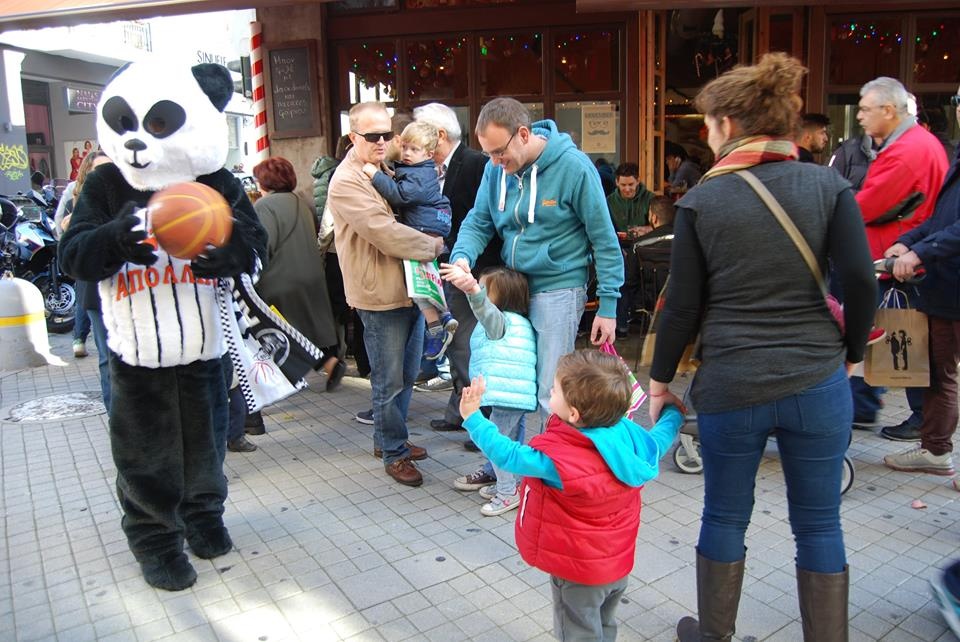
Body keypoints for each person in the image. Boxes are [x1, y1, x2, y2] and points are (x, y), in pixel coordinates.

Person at [647, 53, 877, 642]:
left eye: (709, 122)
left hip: (731, 384)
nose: (705, 132)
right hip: (817, 380)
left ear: (729, 123)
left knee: (724, 514)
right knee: (821, 525)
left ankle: (715, 635)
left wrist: (659, 381)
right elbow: (859, 281)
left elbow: (684, 306)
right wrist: (852, 352)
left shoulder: (704, 199)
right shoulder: (829, 186)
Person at [459, 350, 683, 641]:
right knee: (604, 624)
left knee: (577, 634)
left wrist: (473, 417)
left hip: (578, 573)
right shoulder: (632, 441)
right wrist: (674, 412)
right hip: (616, 567)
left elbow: (508, 455)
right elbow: (662, 435)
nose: (550, 392)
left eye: (554, 389)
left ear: (574, 413)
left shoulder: (562, 460)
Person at [448, 97, 623, 423]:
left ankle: (547, 471)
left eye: (500, 151)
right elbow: (479, 220)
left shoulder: (574, 168)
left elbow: (604, 239)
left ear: (524, 134)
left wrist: (609, 307)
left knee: (549, 391)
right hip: (512, 289)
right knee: (503, 385)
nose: (496, 161)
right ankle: (504, 472)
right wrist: (462, 257)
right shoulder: (494, 170)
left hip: (559, 287)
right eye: (489, 153)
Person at [328, 102, 445, 487]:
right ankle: (393, 451)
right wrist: (434, 247)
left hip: (405, 289)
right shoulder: (347, 180)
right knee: (390, 380)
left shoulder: (382, 164)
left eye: (386, 134)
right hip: (379, 294)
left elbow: (418, 155)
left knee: (407, 374)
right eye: (372, 135)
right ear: (353, 137)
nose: (382, 142)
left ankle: (389, 439)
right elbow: (383, 231)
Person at [850, 76, 949, 440]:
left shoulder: (907, 151)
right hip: (902, 254)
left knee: (898, 335)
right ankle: (865, 403)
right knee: (892, 333)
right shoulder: (916, 142)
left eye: (864, 109)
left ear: (888, 111)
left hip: (899, 259)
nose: (859, 116)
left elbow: (867, 205)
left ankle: (921, 423)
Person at [882, 83, 960, 476]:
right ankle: (935, 449)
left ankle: (936, 448)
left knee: (943, 375)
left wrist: (920, 252)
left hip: (952, 284)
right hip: (945, 288)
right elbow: (940, 218)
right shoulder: (957, 156)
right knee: (938, 374)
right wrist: (907, 241)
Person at [413, 102, 499, 437]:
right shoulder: (430, 169)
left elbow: (484, 220)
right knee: (459, 344)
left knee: (468, 344)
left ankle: (479, 419)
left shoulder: (477, 164)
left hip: (474, 270)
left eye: (420, 138)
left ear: (438, 135)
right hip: (448, 269)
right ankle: (458, 412)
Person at [442, 264, 536, 514]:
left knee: (495, 443)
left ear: (502, 296)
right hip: (516, 396)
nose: (481, 293)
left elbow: (483, 309)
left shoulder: (498, 321)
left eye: (485, 289)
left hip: (506, 396)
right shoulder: (519, 322)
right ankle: (511, 483)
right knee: (511, 443)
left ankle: (507, 493)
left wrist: (472, 289)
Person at [363, 121, 457, 361]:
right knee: (420, 285)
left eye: (413, 149)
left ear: (428, 153)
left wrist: (375, 175)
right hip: (424, 229)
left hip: (425, 232)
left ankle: (439, 325)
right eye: (404, 147)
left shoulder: (422, 174)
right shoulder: (418, 171)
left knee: (419, 286)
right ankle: (441, 321)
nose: (406, 153)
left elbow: (400, 194)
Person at [251, 157, 345, 392]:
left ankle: (281, 381)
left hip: (278, 280)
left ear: (265, 181)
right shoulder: (299, 201)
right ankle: (330, 363)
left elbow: (264, 245)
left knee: (277, 332)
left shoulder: (264, 206)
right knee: (301, 330)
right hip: (307, 276)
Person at [607, 161, 655, 336]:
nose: (627, 189)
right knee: (622, 277)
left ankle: (637, 318)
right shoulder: (609, 201)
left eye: (631, 185)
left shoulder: (649, 199)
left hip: (645, 249)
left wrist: (648, 229)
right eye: (623, 185)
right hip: (619, 248)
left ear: (638, 181)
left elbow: (660, 225)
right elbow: (606, 230)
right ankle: (621, 324)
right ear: (617, 183)